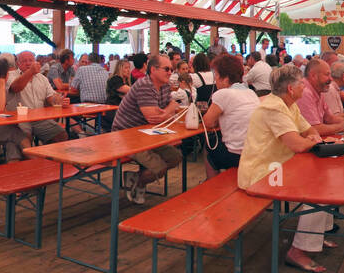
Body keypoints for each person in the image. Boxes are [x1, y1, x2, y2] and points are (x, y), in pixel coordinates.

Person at [238, 68, 336, 273]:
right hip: (261, 174)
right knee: (319, 190)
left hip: (278, 167)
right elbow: (298, 144)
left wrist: (310, 138)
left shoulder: (289, 104)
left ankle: (316, 235)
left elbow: (309, 130)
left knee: (326, 180)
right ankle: (298, 250)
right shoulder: (274, 108)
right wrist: (310, 140)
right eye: (302, 83)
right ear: (291, 89)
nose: (304, 86)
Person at [108, 58, 189, 202]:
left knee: (175, 157)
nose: (170, 72)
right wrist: (168, 113)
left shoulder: (164, 85)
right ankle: (139, 184)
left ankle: (136, 178)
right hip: (125, 135)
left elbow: (173, 104)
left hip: (147, 134)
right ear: (153, 70)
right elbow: (153, 117)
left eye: (171, 69)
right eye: (167, 69)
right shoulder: (144, 85)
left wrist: (165, 112)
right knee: (159, 167)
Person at [206, 53, 257, 173]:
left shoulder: (223, 94)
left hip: (236, 154)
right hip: (255, 151)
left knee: (208, 145)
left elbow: (207, 123)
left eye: (217, 76)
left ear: (226, 79)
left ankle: (212, 184)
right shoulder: (250, 93)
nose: (215, 80)